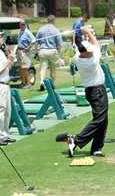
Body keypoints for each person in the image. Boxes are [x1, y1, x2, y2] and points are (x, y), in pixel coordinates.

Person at [57, 26, 108, 157]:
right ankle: (76, 140)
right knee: (99, 119)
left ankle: (96, 148)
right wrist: (88, 32)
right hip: (97, 92)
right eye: (89, 51)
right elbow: (96, 44)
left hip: (92, 91)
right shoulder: (91, 60)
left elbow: (91, 46)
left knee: (103, 120)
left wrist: (85, 34)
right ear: (84, 52)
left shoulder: (78, 57)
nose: (91, 52)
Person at [36, 15, 63, 90]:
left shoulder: (41, 29)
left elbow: (36, 41)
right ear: (54, 21)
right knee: (53, 68)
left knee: (43, 68)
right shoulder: (55, 30)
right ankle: (52, 84)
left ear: (47, 20)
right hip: (52, 50)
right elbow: (59, 44)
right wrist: (59, 55)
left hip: (43, 50)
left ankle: (41, 82)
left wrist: (37, 51)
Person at [17, 20, 35, 88]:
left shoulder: (28, 32)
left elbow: (33, 41)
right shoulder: (21, 32)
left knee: (24, 68)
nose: (21, 26)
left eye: (23, 24)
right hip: (19, 51)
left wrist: (28, 47)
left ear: (25, 25)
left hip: (24, 52)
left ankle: (28, 83)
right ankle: (23, 82)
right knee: (21, 69)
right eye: (20, 24)